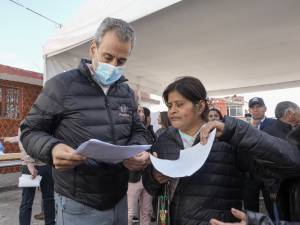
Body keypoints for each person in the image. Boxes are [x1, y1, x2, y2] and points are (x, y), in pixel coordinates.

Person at [20, 17, 149, 225]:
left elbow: (139, 130)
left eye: (121, 61)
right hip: (78, 204)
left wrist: (137, 150)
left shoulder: (126, 92)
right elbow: (29, 130)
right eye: (107, 57)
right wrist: (52, 149)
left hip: (119, 197)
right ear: (93, 48)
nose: (113, 66)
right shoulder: (62, 85)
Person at [143, 76, 300, 225]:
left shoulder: (226, 138)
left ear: (200, 106)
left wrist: (236, 132)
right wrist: (154, 177)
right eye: (170, 106)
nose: (172, 111)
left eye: (179, 104)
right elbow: (151, 187)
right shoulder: (164, 140)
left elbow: (286, 164)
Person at [4, 129, 55, 225]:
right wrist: (30, 164)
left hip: (46, 165)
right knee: (27, 200)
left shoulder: (48, 121)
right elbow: (22, 144)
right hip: (29, 168)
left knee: (49, 199)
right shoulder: (26, 123)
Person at [262, 101, 300, 221]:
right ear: (289, 113)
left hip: (295, 186)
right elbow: (263, 163)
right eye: (298, 109)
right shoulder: (269, 133)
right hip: (280, 189)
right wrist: (273, 186)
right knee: (282, 218)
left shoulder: (295, 129)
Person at [127, 105, 154, 225]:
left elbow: (155, 149)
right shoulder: (128, 131)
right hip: (133, 177)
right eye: (138, 111)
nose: (141, 113)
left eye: (142, 111)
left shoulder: (150, 132)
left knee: (146, 211)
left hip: (148, 177)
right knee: (129, 212)